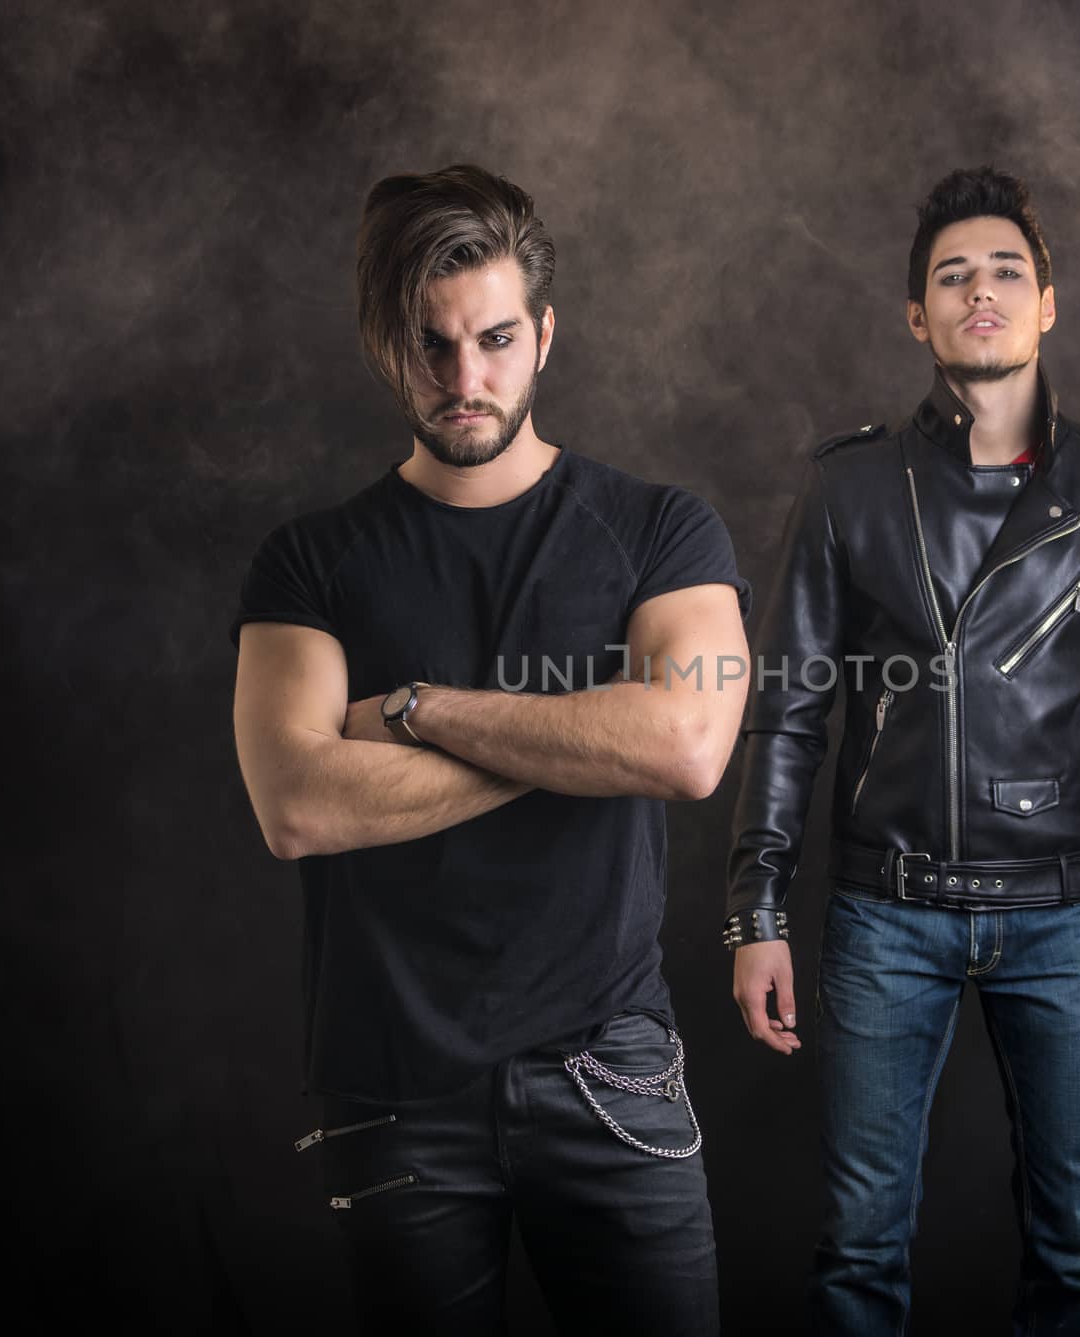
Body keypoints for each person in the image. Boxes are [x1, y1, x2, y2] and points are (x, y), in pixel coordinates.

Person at [230, 163, 749, 1336]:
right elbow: (299, 805)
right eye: (431, 346)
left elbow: (684, 743)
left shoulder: (662, 530)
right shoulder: (309, 563)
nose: (466, 379)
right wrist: (585, 734)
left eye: (497, 338)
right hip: (393, 1084)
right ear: (384, 344)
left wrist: (413, 707)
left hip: (608, 1071)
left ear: (546, 333)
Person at [724, 166, 1080, 1335]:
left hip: (1063, 917)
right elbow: (788, 708)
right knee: (856, 1255)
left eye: (1006, 271)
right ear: (918, 316)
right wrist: (754, 910)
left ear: (1048, 301)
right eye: (953, 276)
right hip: (883, 912)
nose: (980, 291)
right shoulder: (848, 487)